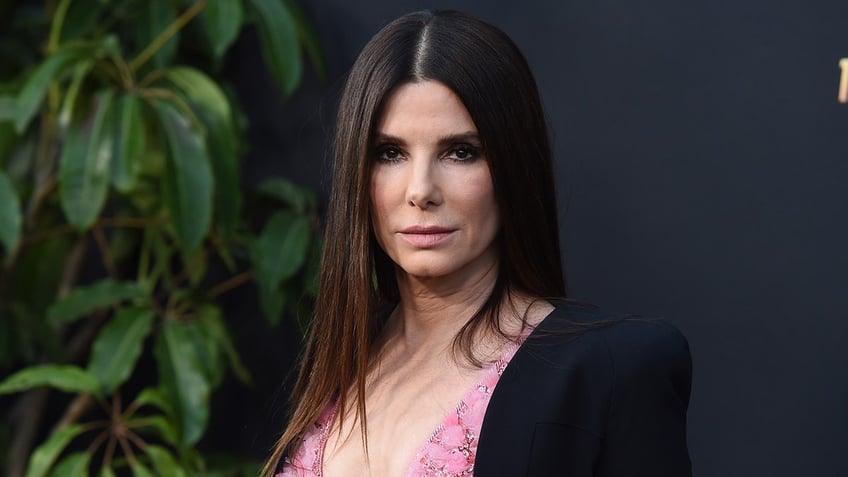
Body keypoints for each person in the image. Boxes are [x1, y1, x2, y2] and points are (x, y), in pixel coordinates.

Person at [263, 9, 692, 477]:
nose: (420, 190)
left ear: (513, 165)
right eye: (390, 153)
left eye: (460, 152)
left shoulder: (610, 371)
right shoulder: (338, 369)